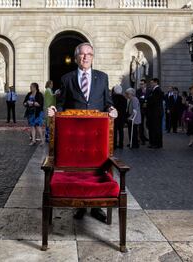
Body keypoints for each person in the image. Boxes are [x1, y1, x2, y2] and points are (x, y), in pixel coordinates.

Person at [47, 43, 117, 223]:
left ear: (93, 57)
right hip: (76, 133)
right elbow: (62, 103)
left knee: (98, 166)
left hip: (96, 133)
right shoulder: (67, 78)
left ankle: (96, 207)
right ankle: (79, 205)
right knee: (79, 167)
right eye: (82, 54)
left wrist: (112, 110)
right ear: (76, 57)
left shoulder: (102, 77)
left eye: (89, 54)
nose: (86, 57)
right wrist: (55, 109)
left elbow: (107, 102)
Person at [147, 78, 164, 148]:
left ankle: (157, 144)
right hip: (154, 112)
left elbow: (153, 101)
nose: (151, 84)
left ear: (156, 82)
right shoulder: (154, 90)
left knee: (157, 128)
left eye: (152, 83)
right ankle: (154, 143)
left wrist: (147, 101)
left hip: (156, 112)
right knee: (154, 128)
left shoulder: (157, 90)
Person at [112, 85, 127, 149]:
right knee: (121, 130)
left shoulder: (113, 98)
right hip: (122, 116)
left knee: (114, 131)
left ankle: (114, 144)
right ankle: (121, 144)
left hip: (115, 116)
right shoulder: (124, 99)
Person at [136, 79, 149, 144]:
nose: (141, 85)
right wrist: (143, 100)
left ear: (145, 84)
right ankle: (142, 139)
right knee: (141, 125)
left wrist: (145, 101)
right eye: (140, 84)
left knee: (147, 124)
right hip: (141, 110)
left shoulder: (149, 91)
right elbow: (138, 99)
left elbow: (149, 99)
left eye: (142, 84)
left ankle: (146, 137)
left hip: (148, 110)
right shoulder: (138, 91)